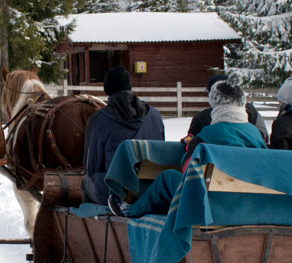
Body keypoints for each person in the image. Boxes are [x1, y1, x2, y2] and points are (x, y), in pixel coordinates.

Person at [121, 78, 266, 218]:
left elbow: (188, 171)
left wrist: (190, 146)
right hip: (245, 204)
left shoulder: (208, 134)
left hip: (210, 205)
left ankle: (132, 210)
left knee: (167, 177)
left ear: (215, 102)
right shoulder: (255, 134)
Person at [83, 65, 164, 206]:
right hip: (150, 189)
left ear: (107, 89)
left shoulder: (99, 120)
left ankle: (94, 222)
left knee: (86, 181)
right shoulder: (155, 116)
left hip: (115, 193)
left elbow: (91, 166)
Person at [186, 72, 265, 140]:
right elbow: (263, 138)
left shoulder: (205, 127)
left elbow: (193, 149)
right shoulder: (254, 130)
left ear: (214, 96)